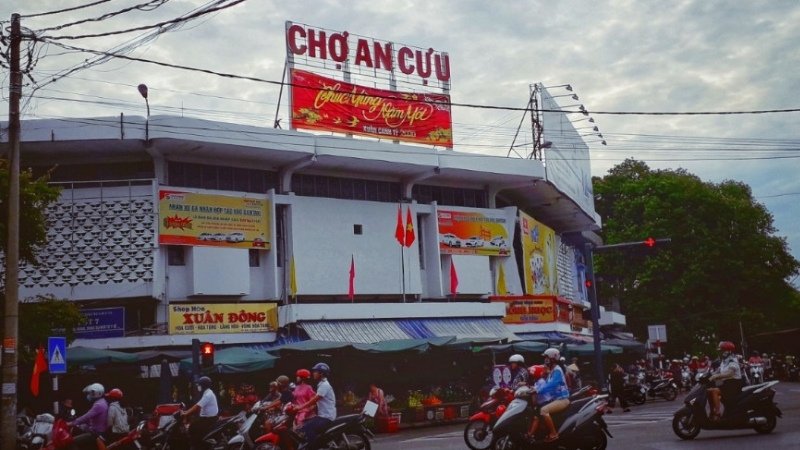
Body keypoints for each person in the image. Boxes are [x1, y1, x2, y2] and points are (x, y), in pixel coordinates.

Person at [297, 363, 336, 450]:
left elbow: (315, 399)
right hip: (323, 415)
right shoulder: (321, 384)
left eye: (315, 371)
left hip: (326, 416)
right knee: (305, 424)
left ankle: (315, 447)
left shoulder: (324, 385)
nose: (313, 373)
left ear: (321, 373)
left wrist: (301, 407)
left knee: (307, 427)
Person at [536, 348, 570, 442]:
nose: (545, 360)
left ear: (552, 358)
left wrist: (538, 391)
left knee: (544, 410)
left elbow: (551, 385)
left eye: (546, 357)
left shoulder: (557, 371)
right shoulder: (552, 371)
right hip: (555, 399)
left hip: (562, 399)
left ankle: (553, 433)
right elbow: (544, 383)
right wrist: (533, 388)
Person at [707, 341, 744, 421]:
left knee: (714, 391)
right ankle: (712, 412)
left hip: (733, 384)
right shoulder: (724, 361)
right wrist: (708, 376)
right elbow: (718, 370)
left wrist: (717, 376)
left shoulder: (732, 361)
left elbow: (730, 374)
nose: (720, 352)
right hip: (727, 383)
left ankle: (717, 413)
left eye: (722, 350)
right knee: (709, 391)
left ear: (728, 351)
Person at [181, 376, 219, 450]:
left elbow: (197, 406)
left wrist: (186, 413)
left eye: (199, 385)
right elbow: (198, 406)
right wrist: (187, 412)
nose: (198, 386)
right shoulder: (207, 393)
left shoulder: (208, 395)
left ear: (203, 385)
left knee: (192, 428)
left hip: (209, 420)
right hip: (207, 418)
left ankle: (198, 447)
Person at [68, 383, 109, 450]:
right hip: (95, 429)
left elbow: (86, 416)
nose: (88, 395)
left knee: (72, 442)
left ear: (95, 394)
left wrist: (71, 424)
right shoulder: (102, 401)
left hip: (96, 433)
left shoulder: (98, 405)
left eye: (89, 394)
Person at [524, 365, 550, 439]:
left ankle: (530, 434)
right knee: (531, 416)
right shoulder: (537, 381)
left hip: (545, 402)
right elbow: (534, 388)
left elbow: (537, 390)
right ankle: (529, 432)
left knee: (536, 417)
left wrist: (532, 390)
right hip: (540, 403)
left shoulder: (541, 381)